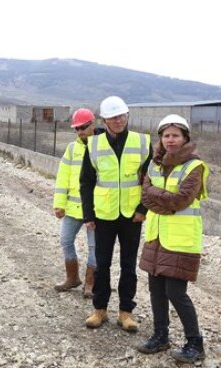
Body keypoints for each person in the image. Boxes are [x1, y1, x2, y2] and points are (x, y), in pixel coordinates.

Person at [136, 114, 209, 363]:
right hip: (156, 237)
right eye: (166, 135)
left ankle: (195, 343)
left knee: (176, 292)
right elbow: (144, 195)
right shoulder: (154, 164)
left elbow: (181, 200)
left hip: (180, 239)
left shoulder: (194, 167)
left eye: (175, 135)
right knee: (156, 290)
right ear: (161, 138)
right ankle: (160, 336)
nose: (170, 140)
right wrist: (160, 198)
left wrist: (157, 197)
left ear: (185, 137)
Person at [80, 96, 152, 332]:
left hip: (132, 215)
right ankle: (100, 309)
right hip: (103, 215)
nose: (119, 120)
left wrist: (143, 209)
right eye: (113, 117)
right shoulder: (93, 145)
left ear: (127, 116)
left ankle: (126, 312)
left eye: (122, 116)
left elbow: (151, 180)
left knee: (128, 265)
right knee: (102, 264)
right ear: (104, 120)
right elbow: (86, 182)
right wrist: (88, 215)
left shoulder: (142, 142)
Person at [53, 108, 97, 298]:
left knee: (94, 247)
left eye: (84, 127)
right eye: (77, 129)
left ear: (93, 125)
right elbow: (62, 178)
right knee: (65, 240)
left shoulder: (102, 146)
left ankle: (91, 283)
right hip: (72, 208)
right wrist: (59, 204)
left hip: (95, 210)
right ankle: (73, 278)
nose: (80, 132)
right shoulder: (72, 149)